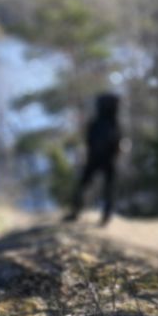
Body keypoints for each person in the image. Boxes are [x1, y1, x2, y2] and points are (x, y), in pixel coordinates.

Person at [65, 93, 122, 226]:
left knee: (88, 185)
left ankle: (79, 212)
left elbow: (89, 141)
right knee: (103, 187)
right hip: (104, 160)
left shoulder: (100, 123)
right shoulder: (110, 123)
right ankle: (103, 215)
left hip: (99, 159)